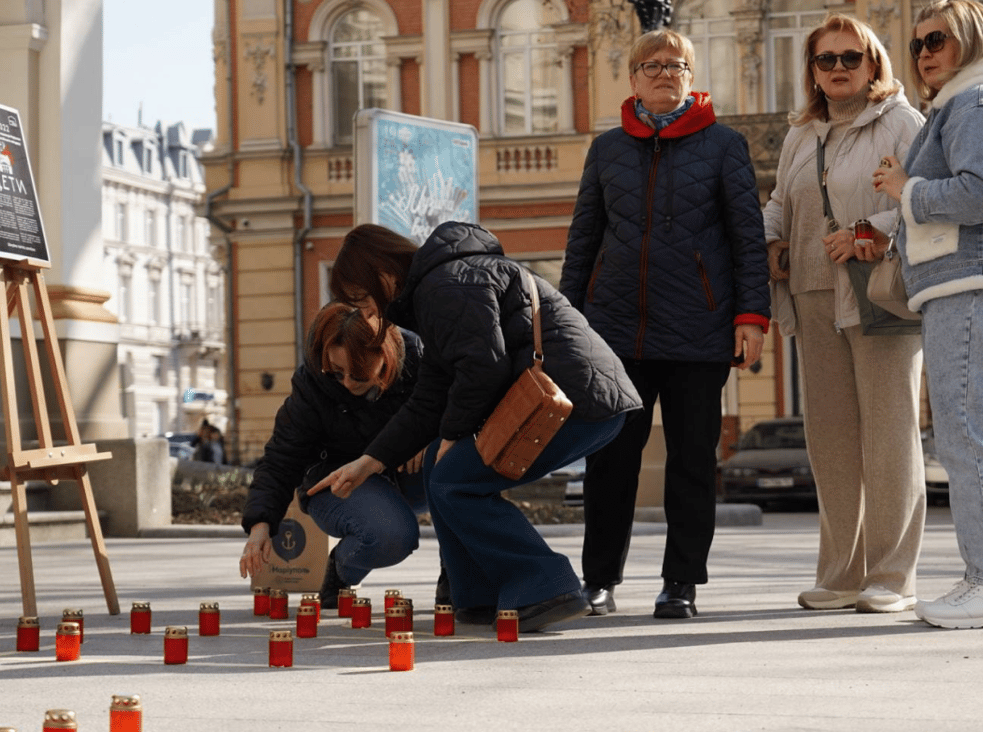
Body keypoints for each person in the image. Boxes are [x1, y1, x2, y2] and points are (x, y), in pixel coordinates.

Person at [318, 221, 642, 633]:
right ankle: (475, 593)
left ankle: (546, 586)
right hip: (576, 396)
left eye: (363, 298)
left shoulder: (447, 284)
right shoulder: (439, 286)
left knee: (454, 479)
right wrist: (371, 460)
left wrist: (453, 435)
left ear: (384, 275)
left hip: (579, 402)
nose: (366, 313)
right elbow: (431, 397)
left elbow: (482, 368)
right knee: (441, 469)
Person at [560, 29, 771, 620]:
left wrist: (751, 316)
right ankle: (598, 580)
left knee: (691, 462)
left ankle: (681, 583)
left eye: (675, 65)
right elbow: (583, 242)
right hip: (613, 333)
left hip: (699, 332)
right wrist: (567, 323)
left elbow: (747, 240)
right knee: (610, 462)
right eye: (650, 66)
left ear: (690, 77)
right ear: (632, 79)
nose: (662, 74)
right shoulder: (606, 150)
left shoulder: (725, 145)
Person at [872, 0, 983, 629]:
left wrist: (905, 189)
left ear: (970, 39)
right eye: (917, 43)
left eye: (936, 39)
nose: (923, 53)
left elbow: (980, 194)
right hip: (967, 284)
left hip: (973, 286)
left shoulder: (976, 103)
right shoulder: (970, 102)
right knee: (974, 433)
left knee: (970, 436)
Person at [761, 14, 927, 614]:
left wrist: (872, 230)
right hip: (810, 289)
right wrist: (767, 239)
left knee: (890, 437)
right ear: (812, 70)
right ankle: (840, 575)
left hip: (877, 289)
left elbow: (924, 199)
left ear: (874, 64)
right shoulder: (801, 134)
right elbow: (781, 201)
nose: (837, 68)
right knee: (830, 439)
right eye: (825, 59)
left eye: (850, 58)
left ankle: (891, 577)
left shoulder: (904, 123)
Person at [238, 302, 428, 609]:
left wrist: (429, 433)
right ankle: (341, 569)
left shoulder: (418, 356)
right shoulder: (312, 383)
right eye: (337, 372)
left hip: (408, 472)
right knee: (392, 536)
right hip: (340, 482)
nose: (348, 383)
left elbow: (456, 405)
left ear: (387, 354)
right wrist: (260, 525)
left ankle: (456, 574)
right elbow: (282, 457)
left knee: (455, 466)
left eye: (360, 373)